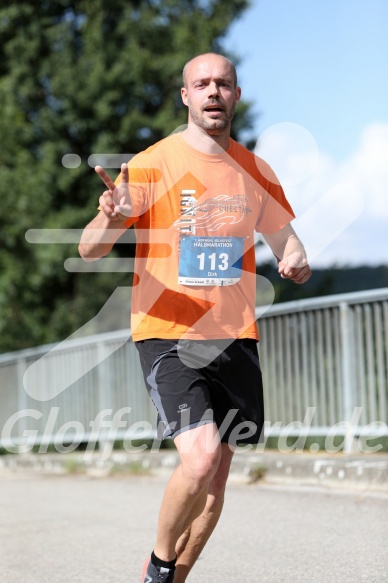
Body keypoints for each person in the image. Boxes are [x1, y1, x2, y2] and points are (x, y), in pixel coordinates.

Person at [79, 52, 311, 583]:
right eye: (201, 83)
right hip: (168, 334)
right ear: (185, 96)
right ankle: (158, 566)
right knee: (201, 458)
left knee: (215, 485)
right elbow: (92, 249)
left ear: (235, 95)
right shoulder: (150, 164)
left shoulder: (256, 171)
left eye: (223, 84)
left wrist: (295, 258)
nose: (212, 92)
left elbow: (286, 240)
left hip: (235, 336)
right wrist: (110, 218)